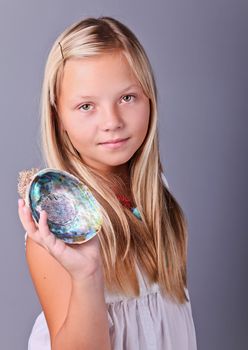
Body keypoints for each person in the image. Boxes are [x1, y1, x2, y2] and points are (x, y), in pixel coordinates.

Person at [18, 16, 197, 350]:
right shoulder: (56, 227)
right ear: (60, 119)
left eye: (127, 98)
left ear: (150, 99)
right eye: (87, 106)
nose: (112, 122)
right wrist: (87, 274)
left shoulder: (156, 192)